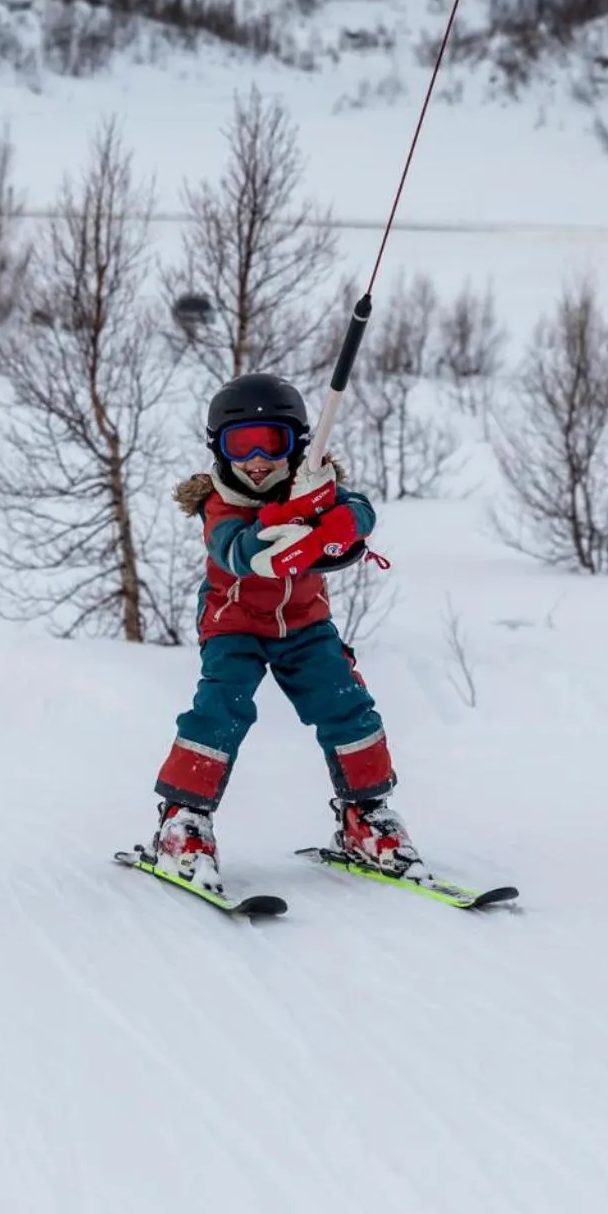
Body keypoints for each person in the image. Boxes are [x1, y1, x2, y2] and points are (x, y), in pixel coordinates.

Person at [148, 372, 421, 897]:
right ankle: (184, 821)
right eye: (239, 444)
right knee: (219, 710)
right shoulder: (220, 504)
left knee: (347, 706)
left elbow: (359, 510)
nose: (255, 459)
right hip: (234, 628)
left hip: (305, 627)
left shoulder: (316, 487)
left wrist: (339, 523)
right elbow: (240, 553)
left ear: (295, 443)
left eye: (270, 442)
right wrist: (288, 525)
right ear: (218, 450)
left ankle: (366, 817)